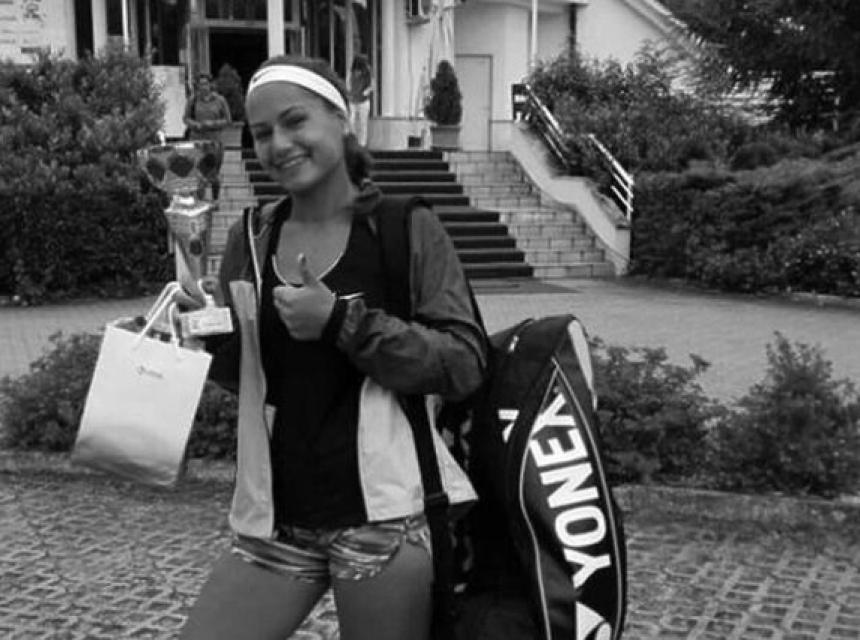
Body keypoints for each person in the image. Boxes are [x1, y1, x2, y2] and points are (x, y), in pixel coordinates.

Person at [177, 54, 486, 640]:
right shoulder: (252, 235)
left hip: (385, 518)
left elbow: (464, 362)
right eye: (262, 133)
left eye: (295, 121)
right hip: (277, 517)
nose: (279, 144)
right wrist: (203, 337)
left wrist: (344, 321)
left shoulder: (404, 227)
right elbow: (250, 377)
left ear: (342, 120)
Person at [183, 73, 231, 201]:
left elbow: (228, 120)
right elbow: (186, 118)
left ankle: (215, 200)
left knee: (214, 175)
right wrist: (195, 124)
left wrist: (212, 124)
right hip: (197, 141)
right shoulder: (193, 100)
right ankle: (200, 201)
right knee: (199, 174)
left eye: (205, 84)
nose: (203, 87)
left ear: (210, 85)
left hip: (214, 142)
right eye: (200, 84)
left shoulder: (220, 100)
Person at [347, 54, 374, 147]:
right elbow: (348, 82)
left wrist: (366, 92)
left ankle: (362, 144)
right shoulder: (351, 72)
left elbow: (372, 85)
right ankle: (354, 140)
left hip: (363, 101)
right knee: (351, 121)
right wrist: (349, 91)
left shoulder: (368, 71)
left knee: (363, 123)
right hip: (353, 100)